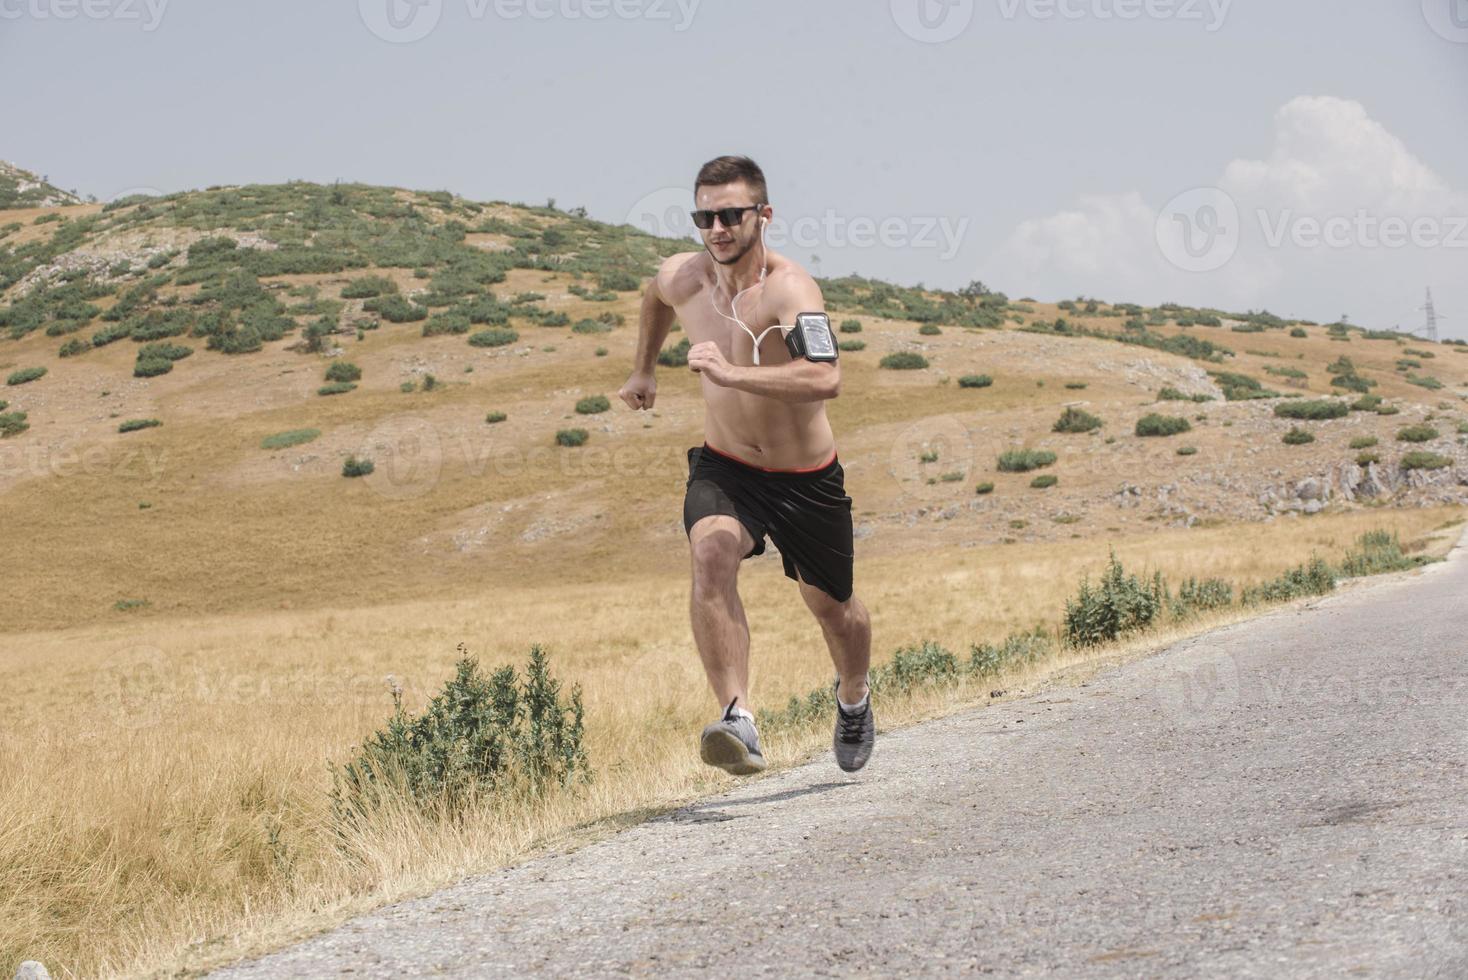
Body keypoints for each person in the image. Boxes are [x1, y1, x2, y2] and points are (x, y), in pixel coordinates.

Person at [617, 155, 874, 775]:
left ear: (763, 215)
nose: (717, 228)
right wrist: (644, 367)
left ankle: (854, 698)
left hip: (805, 479)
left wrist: (733, 373)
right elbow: (653, 298)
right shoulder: (682, 277)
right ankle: (739, 718)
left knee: (835, 611)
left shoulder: (791, 289)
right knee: (710, 553)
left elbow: (826, 376)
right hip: (727, 465)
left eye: (730, 214)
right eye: (704, 216)